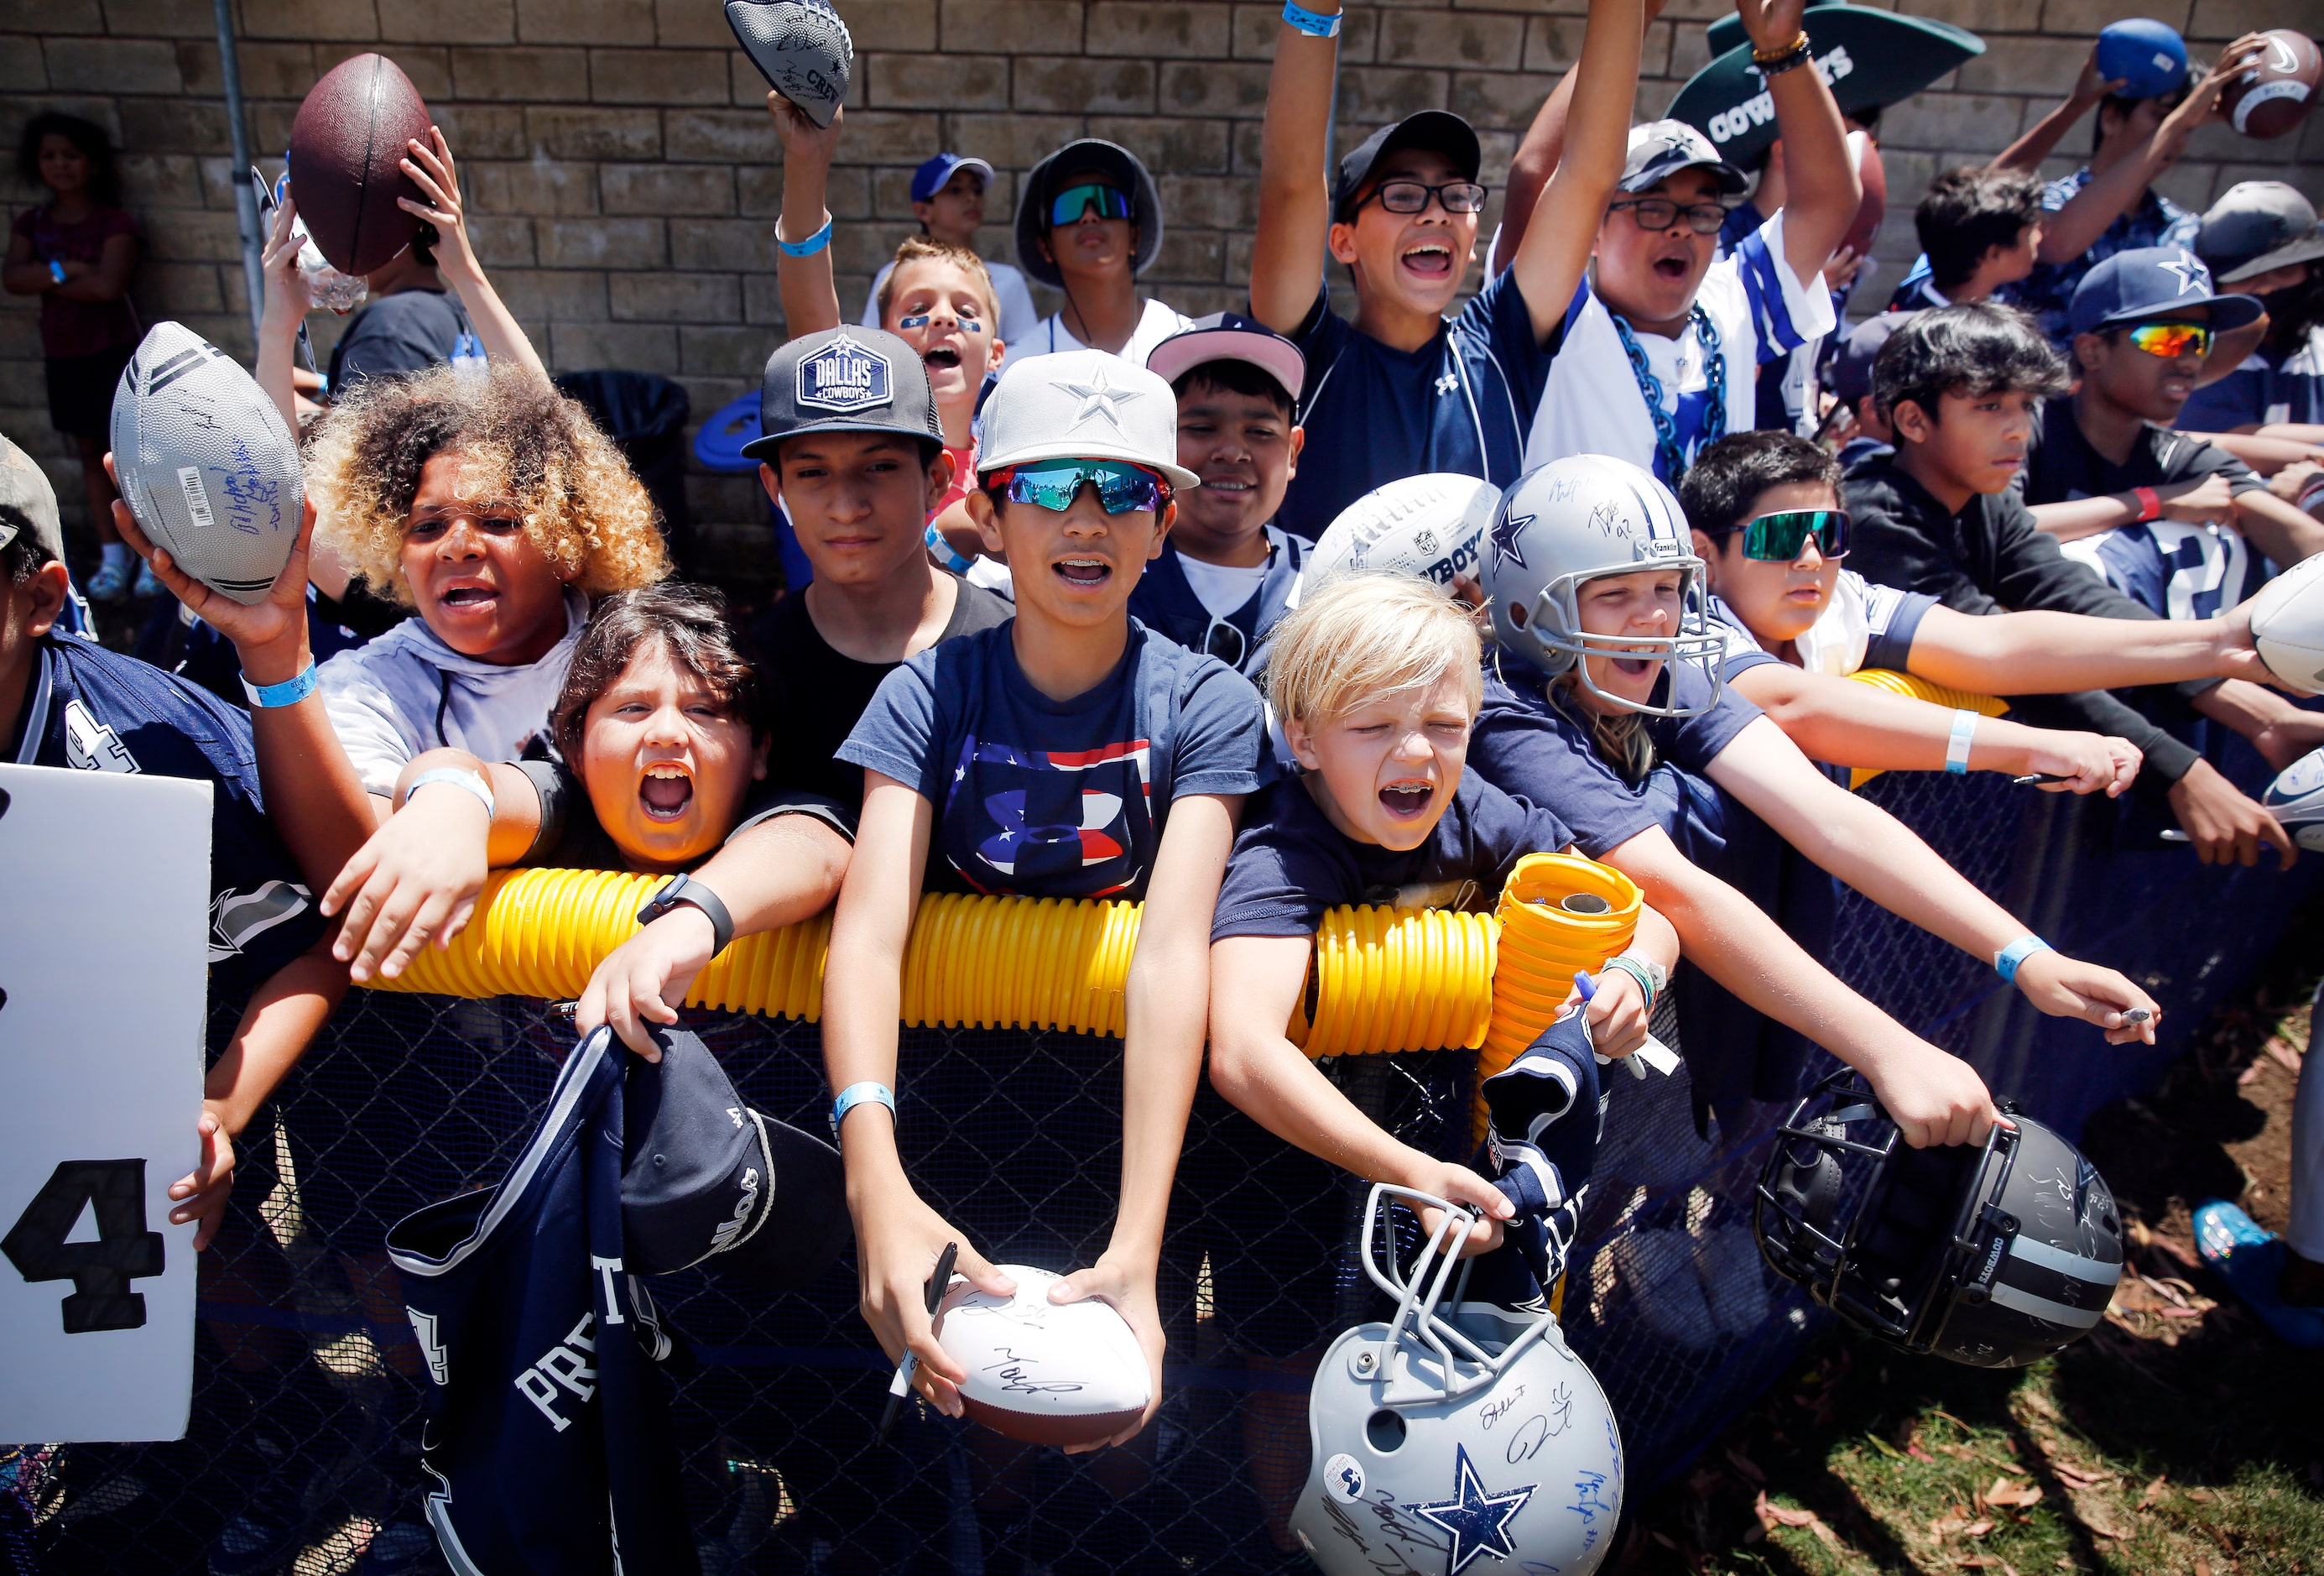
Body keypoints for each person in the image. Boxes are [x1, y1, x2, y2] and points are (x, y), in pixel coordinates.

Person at [823, 351, 1263, 1448]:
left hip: (1128, 1120)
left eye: (1122, 490)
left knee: (1107, 1438)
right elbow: (866, 938)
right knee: (963, 1423)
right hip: (956, 1107)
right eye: (1048, 486)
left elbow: (1170, 954)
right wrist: (873, 1181)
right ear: (986, 512)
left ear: (1162, 521)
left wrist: (1137, 1245)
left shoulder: (1206, 701)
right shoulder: (926, 693)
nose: (1087, 520)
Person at [1471, 454, 2160, 1147]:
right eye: (1614, 593)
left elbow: (1830, 818)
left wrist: (2029, 958)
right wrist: (1890, 1050)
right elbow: (1675, 888)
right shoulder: (1506, 710)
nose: (1654, 617)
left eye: (1667, 586)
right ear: (1529, 606)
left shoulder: (1659, 667)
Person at [1199, 573, 1675, 1544]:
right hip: (1287, 1158)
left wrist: (1636, 974)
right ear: (1302, 737)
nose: (1416, 753)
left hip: (1436, 1141)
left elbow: (1645, 908)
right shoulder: (1283, 850)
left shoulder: (1476, 815)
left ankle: (1411, 1538)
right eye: (1371, 726)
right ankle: (1299, 1547)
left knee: (1423, 1338)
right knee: (1290, 1361)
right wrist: (1406, 1170)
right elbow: (1243, 1052)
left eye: (1443, 726)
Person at [1, 480, 338, 1254]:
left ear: (40, 600)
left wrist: (219, 1105)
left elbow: (330, 931)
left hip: (290, 1001)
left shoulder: (149, 758)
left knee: (335, 1255)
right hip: (89, 1022)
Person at [1844, 302, 2302, 868]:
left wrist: (2260, 712)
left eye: (2025, 404)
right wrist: (2181, 771)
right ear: (1913, 421)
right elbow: (2010, 657)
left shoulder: (1985, 501)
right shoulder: (1873, 515)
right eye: (1989, 406)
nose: (2017, 427)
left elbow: (2079, 600)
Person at [320, 584, 854, 1056]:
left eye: (705, 711)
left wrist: (693, 918)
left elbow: (816, 839)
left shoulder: (761, 822)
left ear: (759, 750)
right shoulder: (570, 806)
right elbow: (482, 782)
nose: (667, 733)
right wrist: (448, 800)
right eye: (632, 709)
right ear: (574, 750)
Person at [1680, 430, 2285, 783]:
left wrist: (2216, 643)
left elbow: (1993, 647)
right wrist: (2028, 747)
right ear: (1706, 555)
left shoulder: (1845, 596)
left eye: (1830, 534)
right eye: (1783, 536)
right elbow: (1798, 704)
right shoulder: (1684, 619)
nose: (1813, 559)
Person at [1248, 0, 1643, 540]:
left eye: (1456, 195)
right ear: (1342, 241)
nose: (1436, 211)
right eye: (1403, 194)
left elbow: (1588, 173)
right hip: (1332, 628)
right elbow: (1290, 181)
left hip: (1473, 628)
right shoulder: (1306, 351)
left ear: (1473, 243)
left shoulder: (1500, 347)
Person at [1493, 0, 1861, 490]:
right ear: (1593, 229)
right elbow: (1533, 178)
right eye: (1654, 207)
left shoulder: (1733, 304)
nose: (1681, 229)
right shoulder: (1557, 322)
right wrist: (1636, 13)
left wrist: (1781, 52)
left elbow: (1828, 201)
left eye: (1702, 211)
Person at [759, 97, 1010, 579]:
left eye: (964, 309)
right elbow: (811, 322)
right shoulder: (861, 457)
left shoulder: (1020, 467)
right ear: (883, 347)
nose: (943, 319)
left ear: (997, 353)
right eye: (917, 310)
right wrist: (807, 161)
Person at [256, 125, 545, 436]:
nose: (324, 243)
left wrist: (279, 328)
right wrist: (466, 269)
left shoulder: (391, 328)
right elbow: (542, 419)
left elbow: (356, 464)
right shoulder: (453, 309)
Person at [1989, 34, 2269, 353]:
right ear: (2110, 117)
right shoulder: (2048, 204)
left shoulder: (2180, 229)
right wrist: (2075, 107)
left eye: (2187, 127)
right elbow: (1998, 208)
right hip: (2028, 396)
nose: (2176, 136)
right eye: (2162, 117)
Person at [3, 112, 144, 602]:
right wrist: (66, 269)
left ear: (93, 163)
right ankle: (111, 556)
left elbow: (109, 286)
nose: (61, 165)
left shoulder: (114, 223)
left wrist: (49, 275)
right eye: (49, 156)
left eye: (72, 155)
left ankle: (150, 555)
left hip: (114, 353)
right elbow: (14, 278)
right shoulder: (33, 223)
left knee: (131, 455)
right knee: (90, 454)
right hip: (65, 354)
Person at [1132, 315, 1311, 677]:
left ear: (1292, 451)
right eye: (1201, 428)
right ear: (1157, 441)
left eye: (1260, 431)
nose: (1232, 451)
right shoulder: (1114, 566)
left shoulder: (1328, 582)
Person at [1011, 138, 1191, 362]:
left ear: (1135, 235)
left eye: (1108, 202)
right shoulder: (1020, 366)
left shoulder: (1188, 342)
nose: (1089, 216)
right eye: (1070, 206)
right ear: (1046, 246)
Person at [2181, 182, 2324, 451]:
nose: (2268, 287)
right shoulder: (2199, 353)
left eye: (2284, 271)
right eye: (2248, 276)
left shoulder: (2317, 346)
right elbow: (2230, 437)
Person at [857, 152, 1040, 349]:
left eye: (977, 190)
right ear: (923, 211)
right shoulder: (893, 277)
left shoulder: (1009, 280)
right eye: (955, 190)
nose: (971, 198)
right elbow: (874, 347)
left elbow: (1025, 353)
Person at [1888, 165, 2045, 313]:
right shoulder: (1934, 333)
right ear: (1994, 253)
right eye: (2028, 234)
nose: (2038, 238)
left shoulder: (1915, 298)